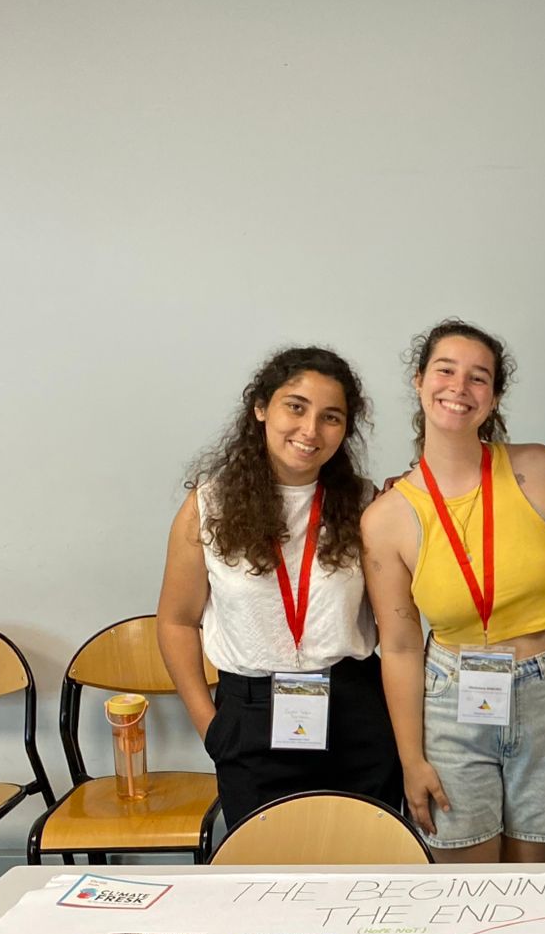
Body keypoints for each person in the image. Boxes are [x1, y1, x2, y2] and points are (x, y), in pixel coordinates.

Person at [361, 319, 545, 862]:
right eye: (445, 371)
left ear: (495, 396)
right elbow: (399, 646)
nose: (459, 388)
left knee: (536, 884)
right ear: (419, 381)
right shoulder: (387, 518)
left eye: (478, 377)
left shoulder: (540, 470)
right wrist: (411, 760)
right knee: (468, 885)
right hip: (451, 699)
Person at [156, 346, 402, 830]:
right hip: (252, 718)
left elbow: (400, 627)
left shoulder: (366, 505)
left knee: (364, 861)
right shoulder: (209, 506)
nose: (311, 430)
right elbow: (176, 621)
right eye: (296, 407)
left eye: (331, 417)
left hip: (355, 712)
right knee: (267, 867)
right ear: (261, 408)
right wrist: (211, 727)